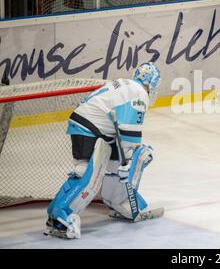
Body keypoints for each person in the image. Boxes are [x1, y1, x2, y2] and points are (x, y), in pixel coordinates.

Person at [45, 62, 162, 239]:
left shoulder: (126, 84)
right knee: (88, 174)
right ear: (151, 82)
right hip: (90, 127)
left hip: (89, 124)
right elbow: (129, 133)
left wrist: (123, 162)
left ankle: (116, 202)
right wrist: (129, 161)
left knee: (110, 166)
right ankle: (61, 215)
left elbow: (120, 131)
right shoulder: (139, 93)